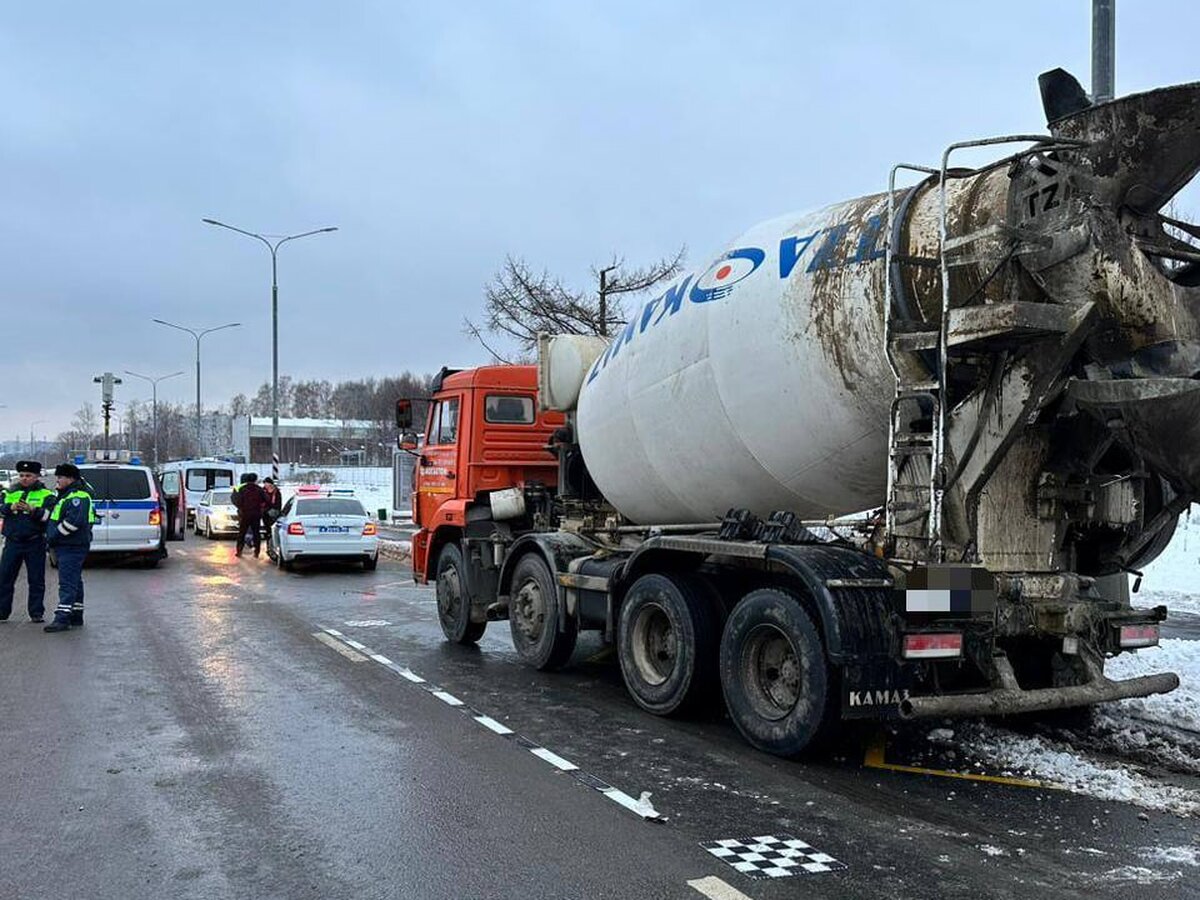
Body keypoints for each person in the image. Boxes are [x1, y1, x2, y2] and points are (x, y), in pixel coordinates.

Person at [0, 460, 56, 623]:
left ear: (37, 476)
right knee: (5, 578)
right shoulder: (9, 492)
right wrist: (10, 508)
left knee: (36, 579)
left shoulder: (46, 495)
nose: (24, 478)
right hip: (13, 541)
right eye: (22, 475)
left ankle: (36, 612)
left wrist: (33, 510)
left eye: (28, 476)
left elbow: (50, 517)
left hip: (34, 542)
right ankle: (2, 612)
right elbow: (1, 508)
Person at [44, 462, 95, 633]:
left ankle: (62, 618)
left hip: (71, 545)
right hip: (70, 545)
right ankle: (75, 614)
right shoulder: (67, 495)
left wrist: (54, 536)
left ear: (70, 479)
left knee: (67, 583)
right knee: (74, 581)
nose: (57, 480)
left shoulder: (77, 497)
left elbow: (74, 522)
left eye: (60, 477)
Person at [232, 472, 267, 558]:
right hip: (256, 514)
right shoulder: (259, 489)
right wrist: (260, 507)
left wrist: (240, 507)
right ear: (255, 480)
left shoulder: (241, 489)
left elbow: (235, 499)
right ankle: (256, 552)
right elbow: (266, 499)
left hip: (244, 514)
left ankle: (239, 551)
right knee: (256, 533)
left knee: (242, 533)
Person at [260, 477, 283, 544]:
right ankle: (269, 537)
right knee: (267, 526)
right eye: (265, 484)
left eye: (267, 484)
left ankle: (273, 538)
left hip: (273, 511)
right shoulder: (262, 491)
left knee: (273, 526)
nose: (266, 485)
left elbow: (278, 503)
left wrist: (274, 509)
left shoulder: (276, 492)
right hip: (265, 512)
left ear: (271, 484)